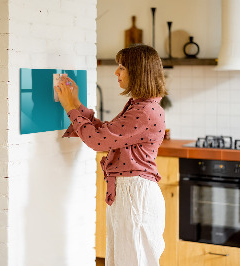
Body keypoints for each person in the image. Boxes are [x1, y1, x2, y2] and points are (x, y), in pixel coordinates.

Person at [55, 44, 167, 266]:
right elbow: (106, 133)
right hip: (130, 193)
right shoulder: (140, 106)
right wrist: (76, 103)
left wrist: (70, 107)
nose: (116, 72)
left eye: (122, 67)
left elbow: (98, 141)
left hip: (135, 195)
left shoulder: (144, 111)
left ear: (138, 72)